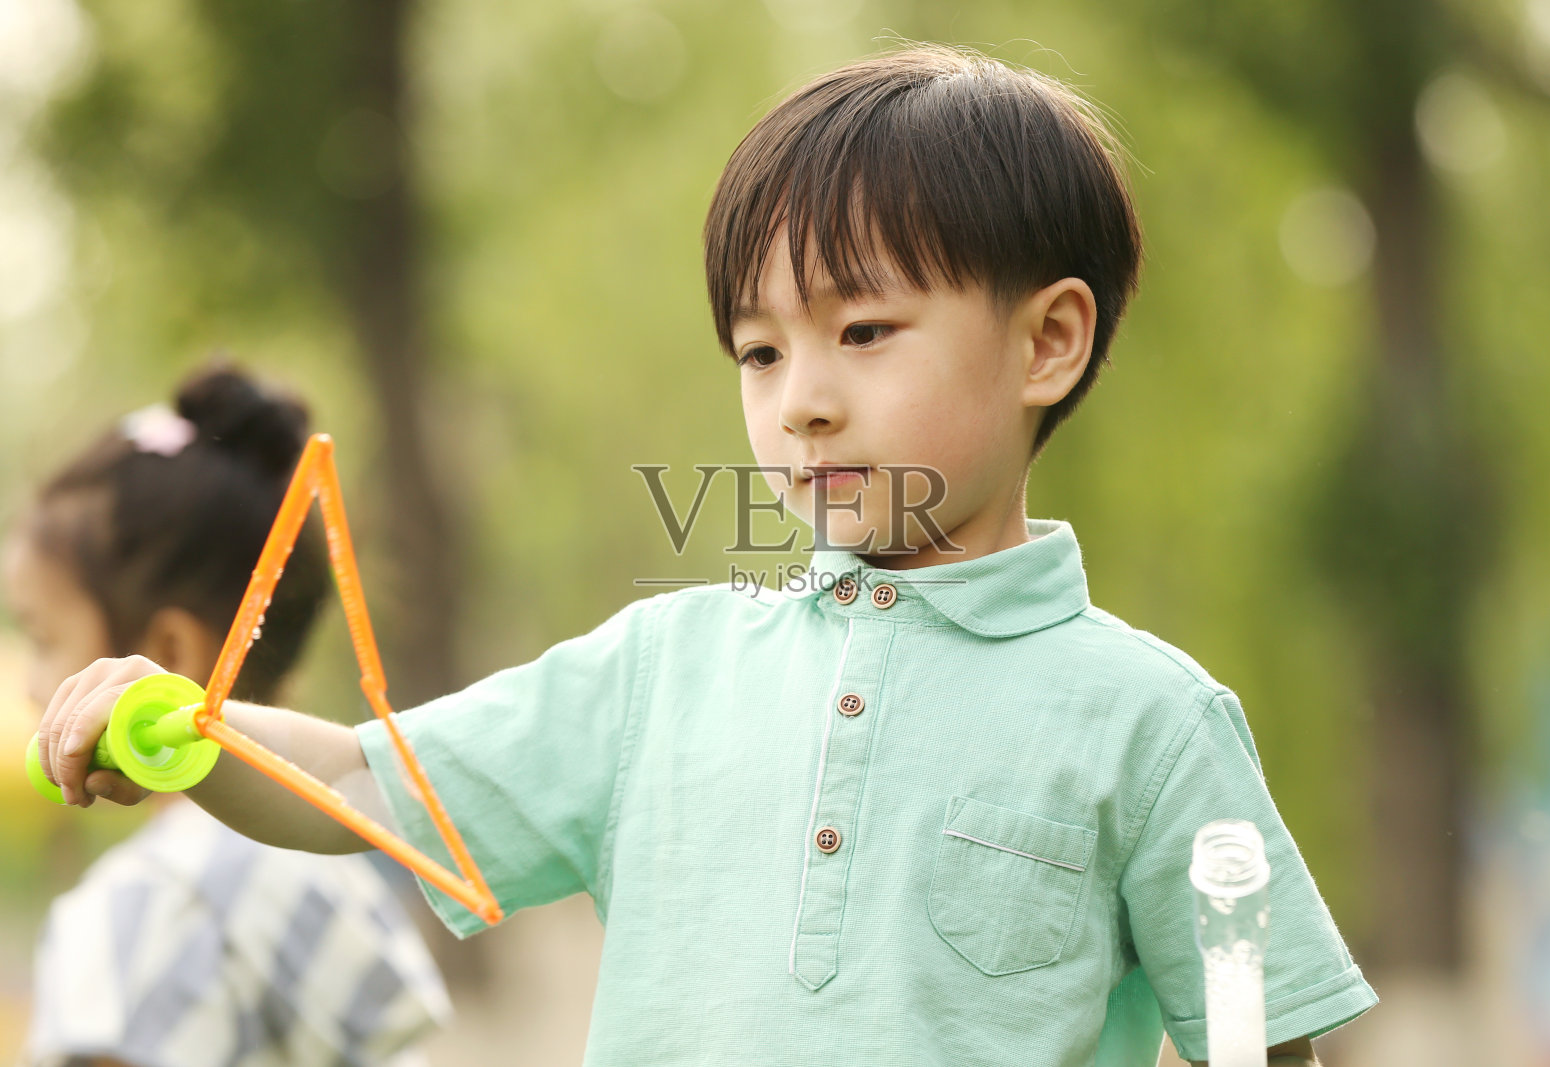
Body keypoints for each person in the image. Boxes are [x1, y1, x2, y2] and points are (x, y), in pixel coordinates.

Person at [34, 45, 1377, 1065]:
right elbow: (364, 784)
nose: (800, 397)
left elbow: (1266, 1031)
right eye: (759, 349)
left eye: (864, 332)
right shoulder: (660, 672)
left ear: (1048, 342)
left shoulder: (1149, 720)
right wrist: (192, 734)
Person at [8, 365, 452, 1067]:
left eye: (41, 636)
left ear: (167, 653)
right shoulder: (339, 873)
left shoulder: (146, 905)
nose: (31, 684)